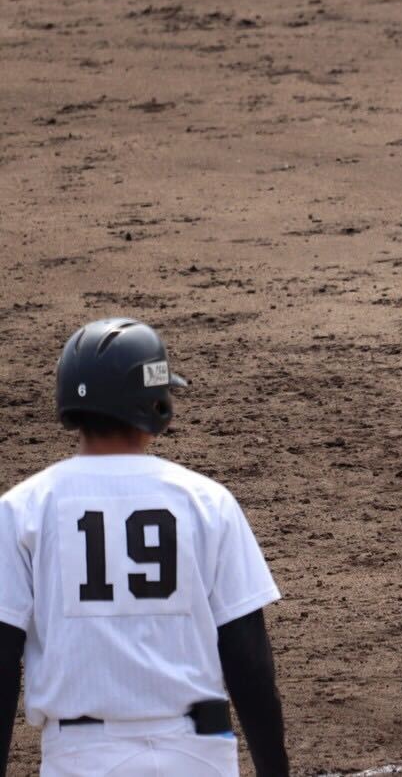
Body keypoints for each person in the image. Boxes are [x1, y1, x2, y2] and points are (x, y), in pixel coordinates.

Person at [0, 319, 289, 776]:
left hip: (82, 759)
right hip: (198, 755)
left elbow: (2, 661)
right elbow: (248, 659)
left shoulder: (23, 509)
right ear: (156, 404)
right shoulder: (207, 502)